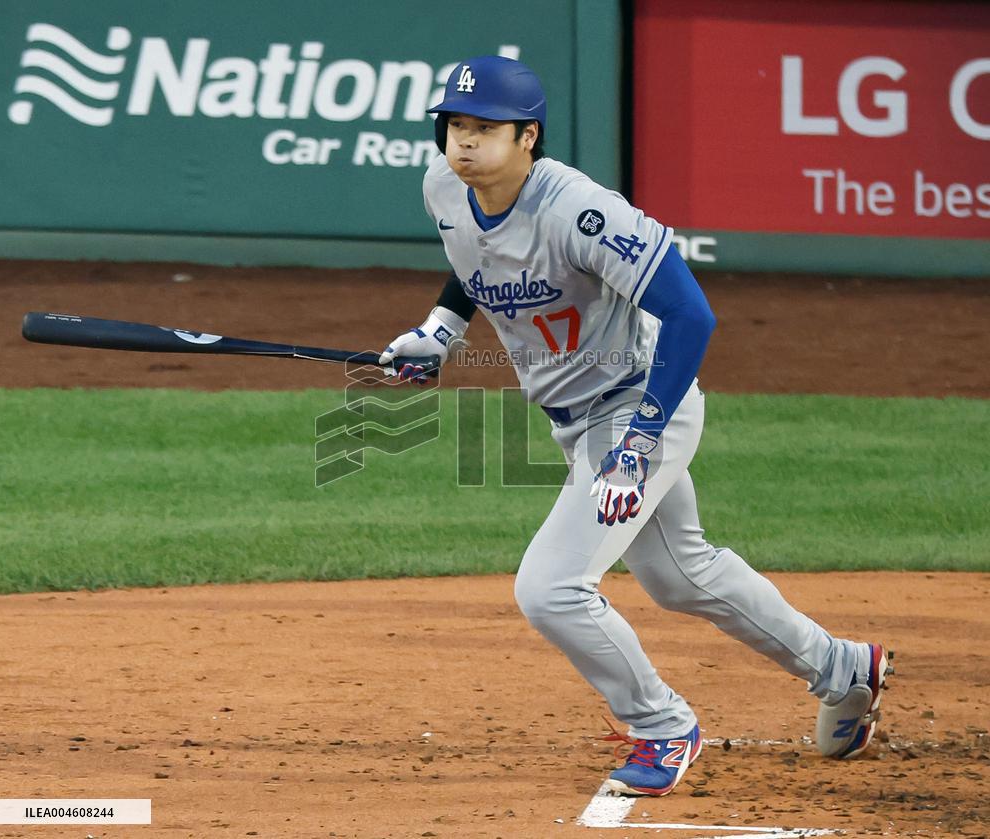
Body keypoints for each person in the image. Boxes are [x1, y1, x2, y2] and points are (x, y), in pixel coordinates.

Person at [378, 55, 890, 797]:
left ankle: (662, 725)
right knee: (681, 575)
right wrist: (439, 331)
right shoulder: (445, 188)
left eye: (484, 128)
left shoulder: (581, 212)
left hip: (639, 404)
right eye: (456, 125)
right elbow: (475, 259)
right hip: (576, 416)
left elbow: (691, 312)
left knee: (551, 588)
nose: (464, 142)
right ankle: (842, 667)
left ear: (528, 138)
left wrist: (637, 444)